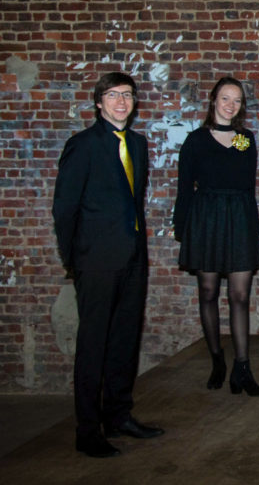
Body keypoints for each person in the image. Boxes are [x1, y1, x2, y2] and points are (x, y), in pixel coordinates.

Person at [53, 72, 164, 458]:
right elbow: (64, 208)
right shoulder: (82, 145)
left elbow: (132, 203)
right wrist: (74, 259)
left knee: (124, 342)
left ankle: (118, 416)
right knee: (93, 346)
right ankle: (88, 430)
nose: (121, 101)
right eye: (113, 95)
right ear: (99, 102)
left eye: (128, 95)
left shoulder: (138, 144)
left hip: (133, 259)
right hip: (95, 261)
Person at [173, 77, 259, 396]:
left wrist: (251, 227)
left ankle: (243, 368)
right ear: (213, 99)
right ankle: (217, 360)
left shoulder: (246, 139)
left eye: (237, 100)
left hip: (239, 218)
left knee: (240, 295)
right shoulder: (196, 140)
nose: (231, 105)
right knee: (208, 291)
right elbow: (184, 188)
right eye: (226, 98)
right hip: (206, 219)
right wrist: (183, 229)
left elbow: (248, 186)